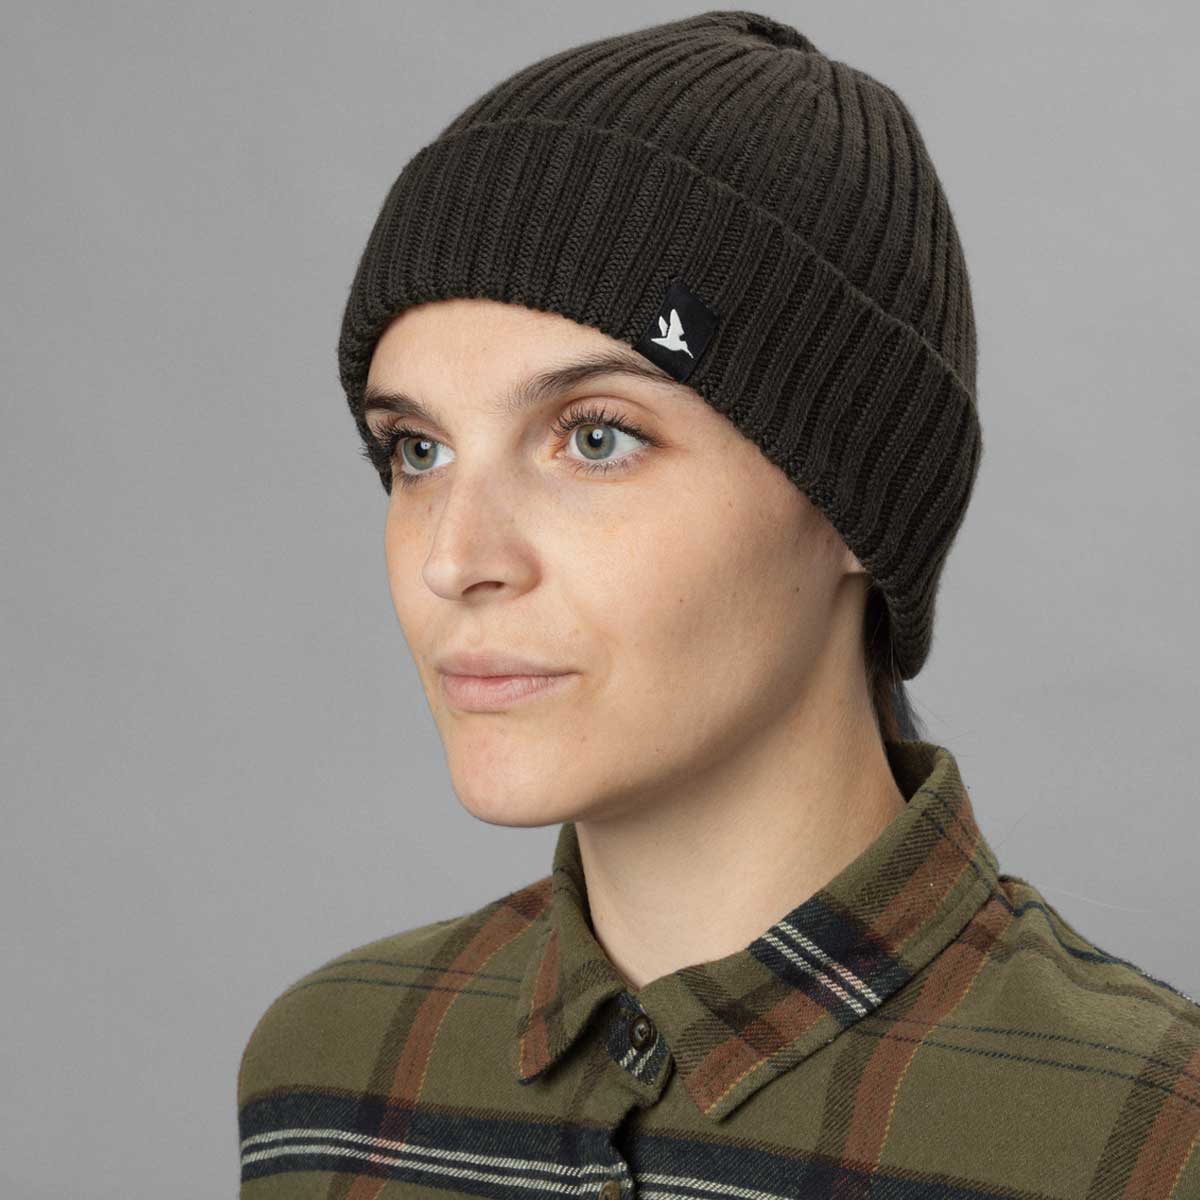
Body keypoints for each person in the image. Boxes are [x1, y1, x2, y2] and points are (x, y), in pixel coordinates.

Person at [237, 10, 1200, 1197]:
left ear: (853, 502)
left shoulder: (1147, 1137)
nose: (455, 558)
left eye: (596, 436)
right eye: (417, 450)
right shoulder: (331, 1078)